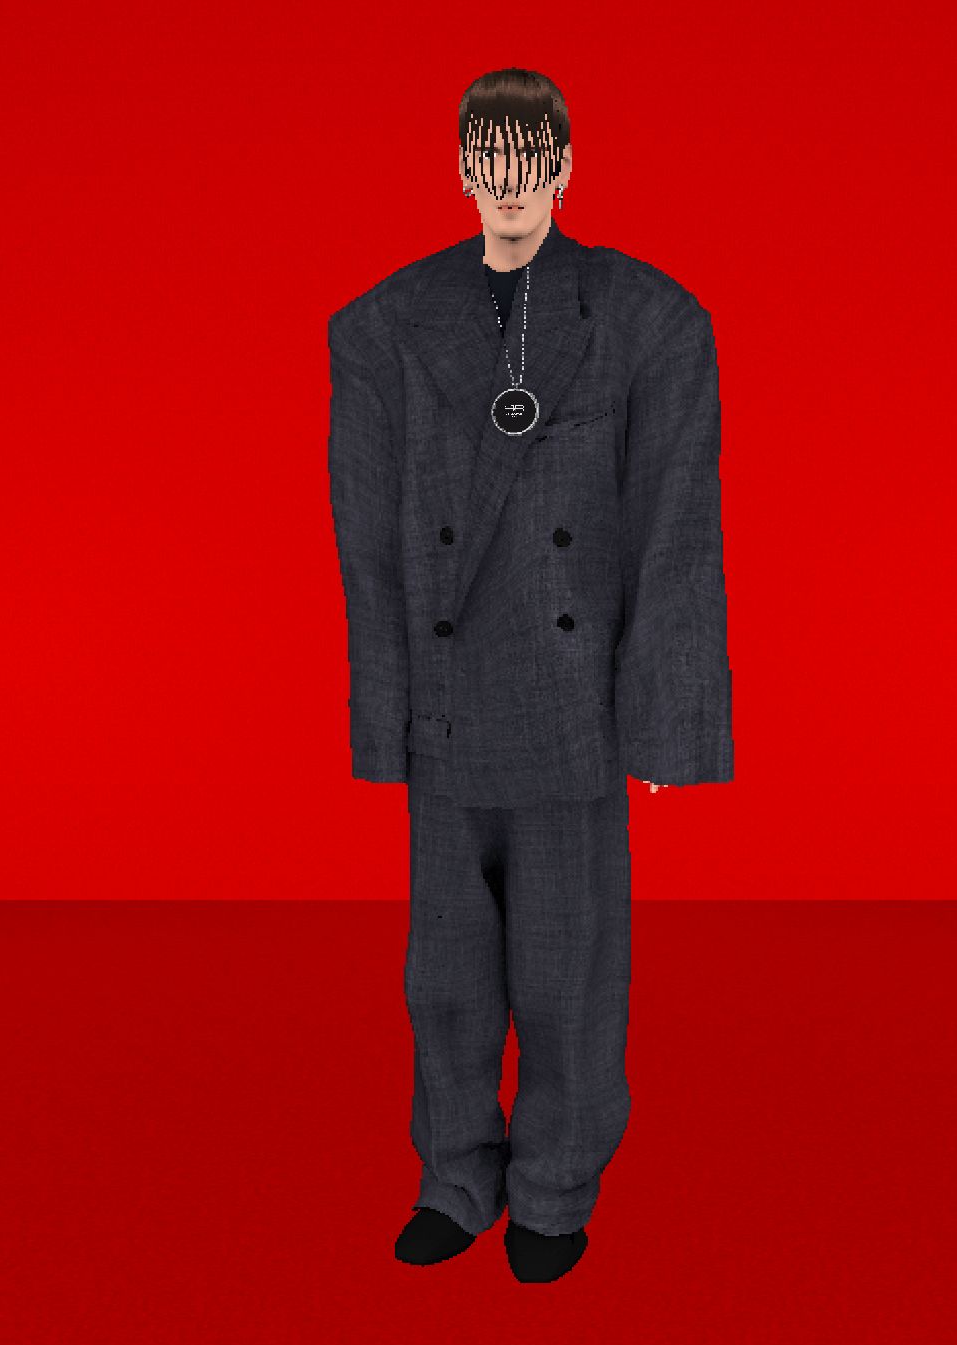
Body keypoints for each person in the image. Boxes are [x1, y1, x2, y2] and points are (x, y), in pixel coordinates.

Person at [327, 67, 733, 1283]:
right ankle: (455, 1177)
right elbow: (367, 540)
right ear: (460, 169)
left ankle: (554, 1189)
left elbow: (673, 529)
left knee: (569, 973)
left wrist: (660, 722)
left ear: (564, 166)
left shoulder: (649, 320)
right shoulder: (384, 326)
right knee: (445, 976)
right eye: (488, 161)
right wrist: (385, 715)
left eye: (529, 160)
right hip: (451, 710)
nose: (509, 185)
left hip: (571, 712)